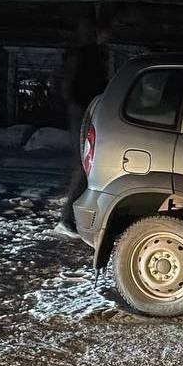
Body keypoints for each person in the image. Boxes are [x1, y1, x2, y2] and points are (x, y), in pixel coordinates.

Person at [58, 42, 108, 235]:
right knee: (83, 166)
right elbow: (70, 89)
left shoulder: (94, 54)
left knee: (87, 167)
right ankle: (68, 218)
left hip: (87, 112)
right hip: (81, 114)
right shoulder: (83, 55)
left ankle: (76, 217)